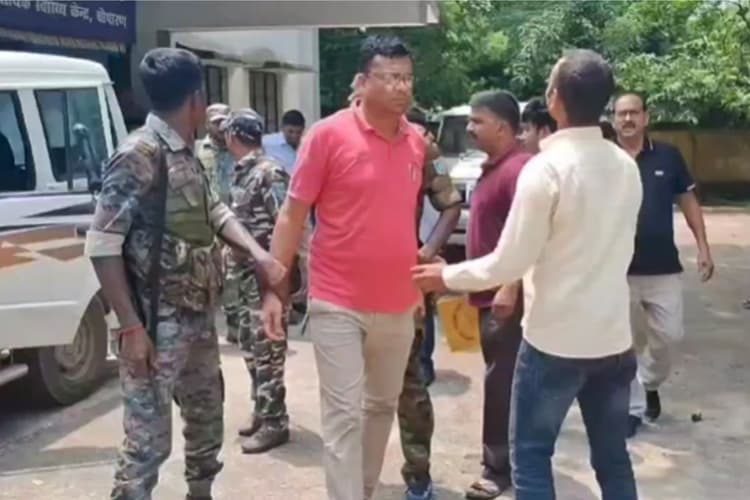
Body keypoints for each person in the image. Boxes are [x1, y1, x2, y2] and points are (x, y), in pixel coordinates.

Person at [412, 49, 643, 500]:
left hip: (555, 345)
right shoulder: (624, 166)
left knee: (532, 458)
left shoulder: (546, 169)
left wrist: (446, 276)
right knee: (613, 459)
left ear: (554, 99)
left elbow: (508, 263)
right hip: (613, 342)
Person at [84, 48, 284, 500]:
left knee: (206, 417)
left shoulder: (185, 151)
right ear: (196, 99)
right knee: (147, 443)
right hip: (154, 324)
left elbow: (214, 210)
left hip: (197, 314)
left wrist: (258, 254)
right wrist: (131, 328)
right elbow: (102, 244)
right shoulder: (139, 154)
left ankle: (200, 492)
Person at [262, 34, 426, 500]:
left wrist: (416, 287)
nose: (401, 87)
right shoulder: (327, 136)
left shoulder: (415, 142)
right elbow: (293, 215)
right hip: (337, 301)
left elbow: (402, 219)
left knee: (381, 407)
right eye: (389, 77)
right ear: (362, 81)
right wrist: (275, 288)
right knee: (343, 417)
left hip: (397, 302)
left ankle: (363, 490)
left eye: (407, 78)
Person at [613, 92, 715, 437]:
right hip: (617, 270)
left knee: (669, 337)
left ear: (646, 117)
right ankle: (632, 408)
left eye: (634, 113)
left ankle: (649, 383)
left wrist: (703, 246)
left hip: (662, 267)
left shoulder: (668, 156)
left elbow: (688, 200)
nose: (628, 119)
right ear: (613, 119)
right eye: (621, 113)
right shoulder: (605, 158)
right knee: (624, 342)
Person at [462, 90, 533, 500]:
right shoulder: (494, 168)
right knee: (500, 378)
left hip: (507, 301)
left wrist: (510, 285)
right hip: (488, 295)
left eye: (477, 121)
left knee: (502, 383)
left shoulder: (519, 170)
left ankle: (498, 467)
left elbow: (532, 236)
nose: (470, 128)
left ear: (503, 127)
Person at [399, 106, 461, 500]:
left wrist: (427, 250)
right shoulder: (339, 139)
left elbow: (451, 203)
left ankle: (418, 476)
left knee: (410, 383)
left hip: (404, 281)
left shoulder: (421, 148)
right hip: (351, 284)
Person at [222, 109, 292, 453]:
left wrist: (278, 288)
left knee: (268, 351)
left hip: (265, 281)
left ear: (232, 136)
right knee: (251, 349)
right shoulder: (241, 172)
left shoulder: (269, 173)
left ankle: (276, 422)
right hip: (243, 278)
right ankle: (263, 411)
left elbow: (287, 227)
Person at [195, 103, 240, 343]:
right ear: (207, 124)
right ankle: (206, 327)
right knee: (207, 277)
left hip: (234, 222)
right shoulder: (197, 151)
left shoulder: (238, 148)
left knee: (233, 275)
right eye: (216, 122)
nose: (221, 127)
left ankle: (234, 324)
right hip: (207, 224)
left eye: (225, 122)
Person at [262, 109, 306, 175]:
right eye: (290, 131)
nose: (294, 136)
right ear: (282, 127)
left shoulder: (308, 144)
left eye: (299, 132)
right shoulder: (267, 142)